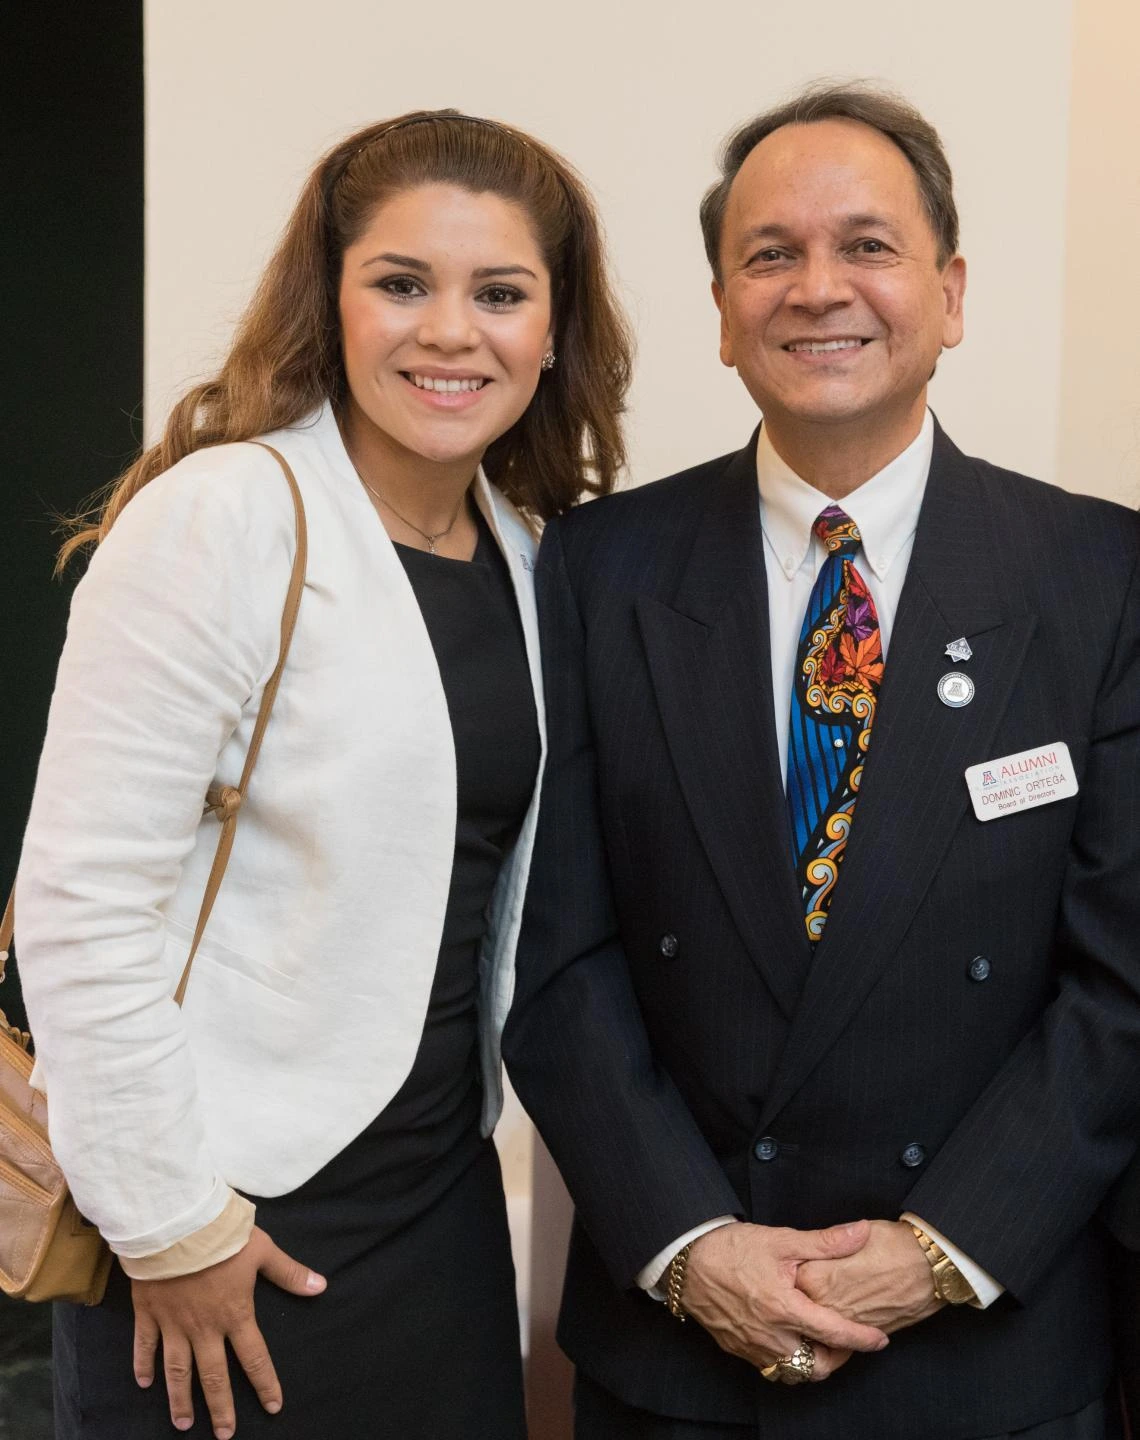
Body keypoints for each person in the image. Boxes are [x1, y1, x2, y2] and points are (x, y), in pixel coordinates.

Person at [504, 81, 1140, 1439]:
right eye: (770, 254)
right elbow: (555, 959)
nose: (817, 288)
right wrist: (689, 1243)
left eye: (867, 246)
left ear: (950, 293)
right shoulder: (598, 570)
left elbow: (1125, 981)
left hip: (993, 1350)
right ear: (725, 310)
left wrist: (940, 1250)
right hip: (680, 1348)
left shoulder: (1100, 575)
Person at [15, 109, 631, 1440]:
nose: (451, 331)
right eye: (401, 283)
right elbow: (81, 903)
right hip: (223, 1214)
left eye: (501, 293)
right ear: (333, 300)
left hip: (442, 1211)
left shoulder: (528, 561)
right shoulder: (225, 514)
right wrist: (176, 1228)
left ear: (553, 327)